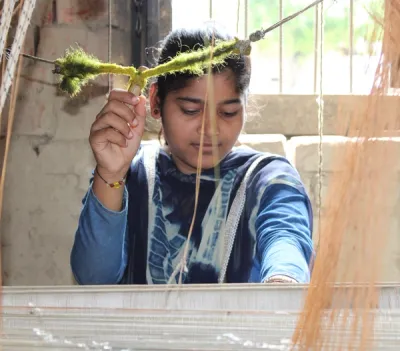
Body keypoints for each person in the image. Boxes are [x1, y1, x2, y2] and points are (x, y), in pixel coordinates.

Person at [70, 24, 315, 285]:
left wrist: (283, 279)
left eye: (228, 112)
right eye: (190, 110)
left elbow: (286, 238)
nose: (210, 129)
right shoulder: (132, 173)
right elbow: (93, 278)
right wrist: (110, 173)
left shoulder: (268, 181)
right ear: (154, 102)